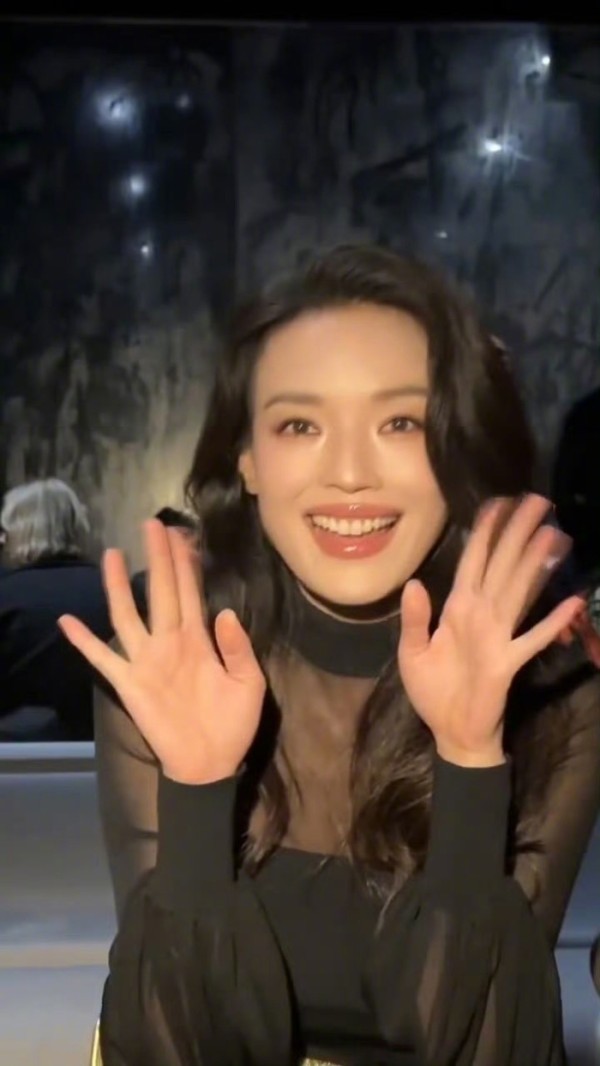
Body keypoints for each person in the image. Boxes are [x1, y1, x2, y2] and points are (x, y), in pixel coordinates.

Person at [60, 245, 600, 1065]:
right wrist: (199, 786)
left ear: (457, 445)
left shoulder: (555, 681)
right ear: (246, 459)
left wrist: (468, 755)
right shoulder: (176, 659)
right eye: (300, 425)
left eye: (401, 422)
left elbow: (489, 1043)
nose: (349, 473)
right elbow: (168, 1045)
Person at [0, 478, 112, 739]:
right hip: (105, 750)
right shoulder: (119, 592)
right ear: (77, 526)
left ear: (16, 532)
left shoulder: (6, 594)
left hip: (11, 755)